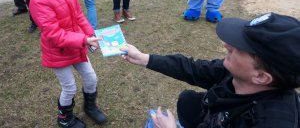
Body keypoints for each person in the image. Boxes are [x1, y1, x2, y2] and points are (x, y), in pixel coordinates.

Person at [121, 12, 300, 128]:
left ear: (261, 76)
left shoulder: (271, 121)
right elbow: (193, 69)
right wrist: (144, 58)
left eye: (239, 47)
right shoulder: (234, 73)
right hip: (210, 117)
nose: (226, 45)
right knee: (185, 102)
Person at [27, 0, 107, 127]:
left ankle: (90, 106)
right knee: (69, 87)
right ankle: (65, 118)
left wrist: (90, 34)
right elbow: (54, 34)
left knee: (91, 77)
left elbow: (79, 16)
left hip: (77, 46)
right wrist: (82, 40)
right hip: (58, 52)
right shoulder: (39, 0)